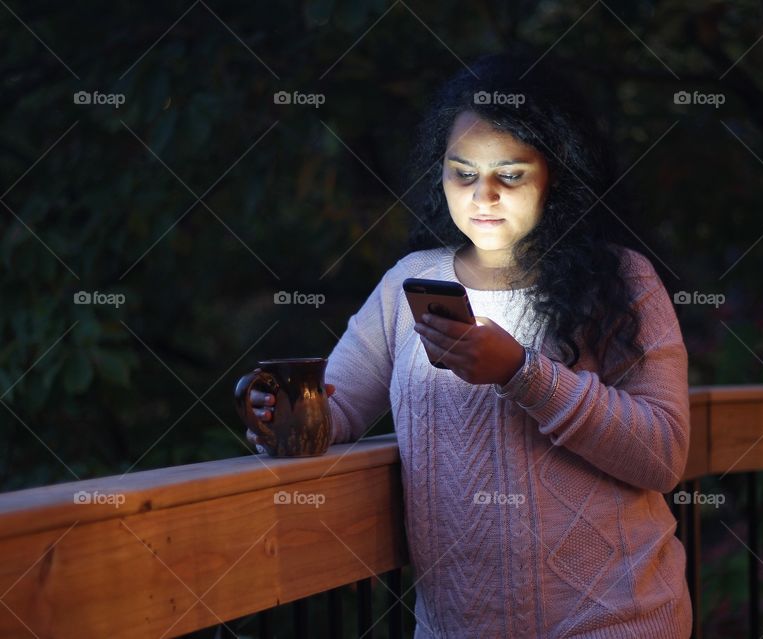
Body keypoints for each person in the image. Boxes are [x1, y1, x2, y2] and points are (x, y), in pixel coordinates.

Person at [245, 53, 692, 639]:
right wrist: (281, 416)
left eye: (510, 175)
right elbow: (338, 408)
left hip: (613, 619)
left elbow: (663, 455)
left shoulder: (618, 280)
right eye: (463, 173)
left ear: (557, 175)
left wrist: (521, 373)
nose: (483, 196)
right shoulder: (411, 282)